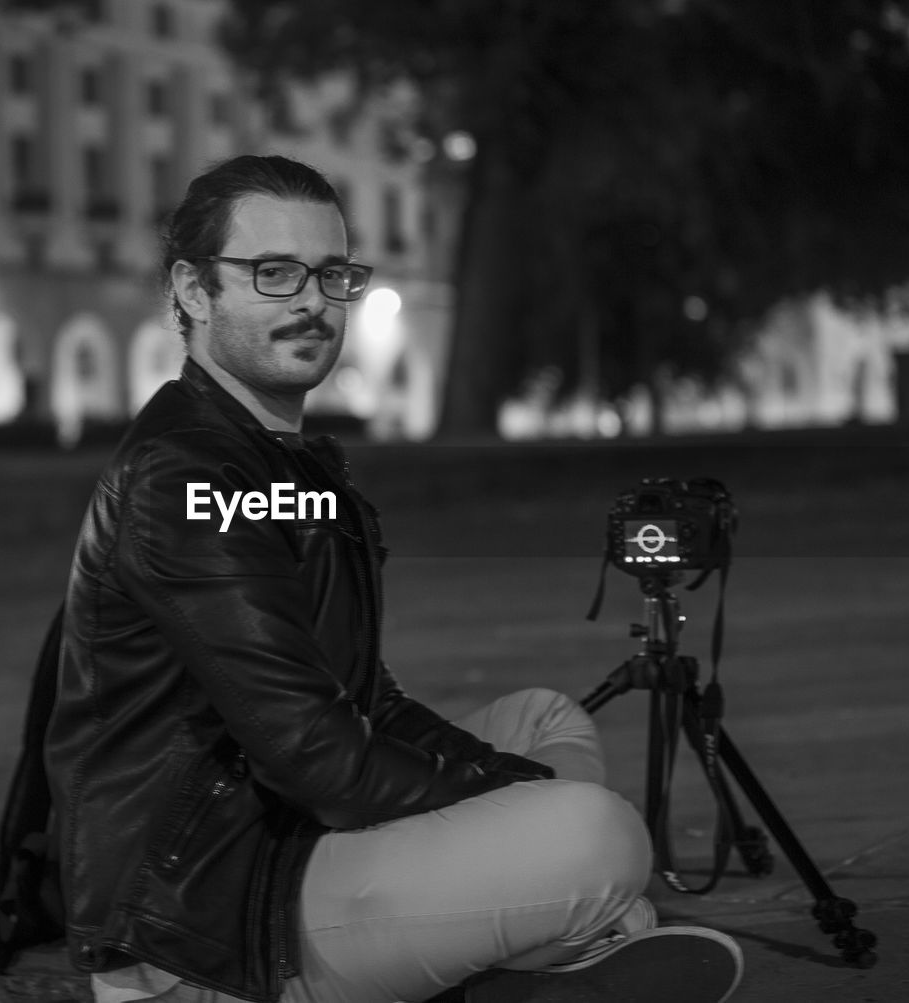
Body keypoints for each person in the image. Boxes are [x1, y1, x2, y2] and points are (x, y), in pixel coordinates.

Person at [44, 154, 743, 1003]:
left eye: (330, 273)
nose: (311, 300)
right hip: (203, 918)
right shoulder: (188, 480)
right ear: (194, 291)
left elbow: (363, 700)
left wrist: (501, 786)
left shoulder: (283, 466)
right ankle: (528, 942)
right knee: (597, 832)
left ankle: (517, 940)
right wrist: (506, 799)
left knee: (542, 718)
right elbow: (319, 757)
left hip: (275, 830)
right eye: (273, 273)